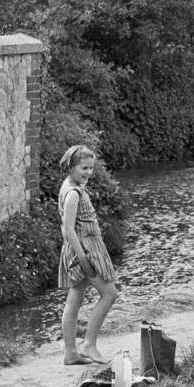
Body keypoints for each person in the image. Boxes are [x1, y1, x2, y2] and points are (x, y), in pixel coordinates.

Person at [58, 144, 119, 365]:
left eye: (91, 168)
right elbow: (68, 230)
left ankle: (70, 353)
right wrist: (83, 258)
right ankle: (89, 344)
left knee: (73, 300)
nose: (88, 173)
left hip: (79, 249)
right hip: (84, 250)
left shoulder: (69, 185)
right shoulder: (73, 193)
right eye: (84, 168)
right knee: (110, 294)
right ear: (71, 167)